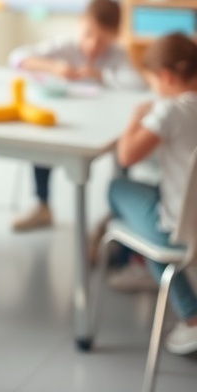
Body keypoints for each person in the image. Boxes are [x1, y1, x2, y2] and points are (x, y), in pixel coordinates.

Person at [9, 0, 140, 232]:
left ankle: (117, 214)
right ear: (80, 23)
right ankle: (42, 204)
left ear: (115, 35)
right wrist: (53, 67)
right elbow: (17, 57)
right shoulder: (65, 47)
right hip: (68, 123)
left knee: (123, 153)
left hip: (105, 125)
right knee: (42, 142)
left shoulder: (117, 56)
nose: (92, 45)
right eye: (88, 34)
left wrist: (99, 75)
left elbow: (138, 84)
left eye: (102, 40)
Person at [108, 32, 197, 356]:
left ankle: (190, 316)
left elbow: (126, 156)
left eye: (152, 83)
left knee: (117, 188)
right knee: (152, 190)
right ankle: (146, 265)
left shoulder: (170, 111)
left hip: (179, 231)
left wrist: (135, 117)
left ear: (167, 77)